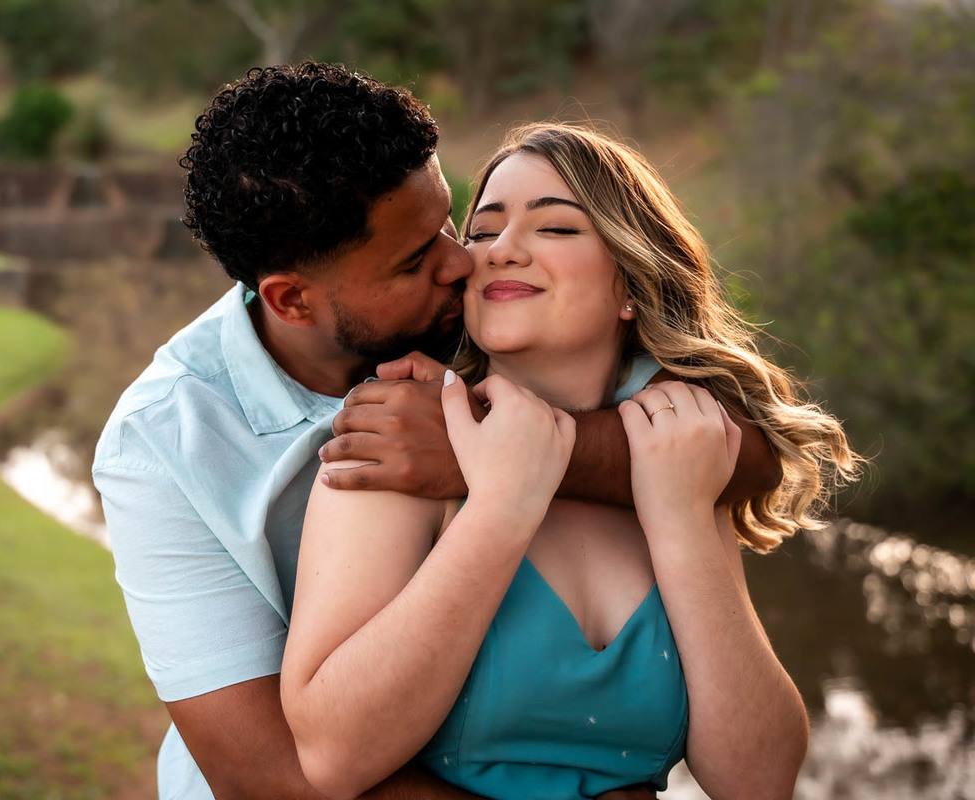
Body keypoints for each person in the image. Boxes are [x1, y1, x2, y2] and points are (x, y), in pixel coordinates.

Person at [94, 63, 779, 800]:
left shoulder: (480, 321)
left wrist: (507, 454)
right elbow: (271, 774)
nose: (467, 260)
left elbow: (751, 451)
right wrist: (500, 495)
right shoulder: (161, 445)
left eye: (453, 222)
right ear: (293, 301)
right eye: (421, 257)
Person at [281, 124, 860, 800]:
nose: (500, 250)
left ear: (632, 284)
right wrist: (500, 508)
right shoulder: (399, 444)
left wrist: (679, 518)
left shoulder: (677, 461)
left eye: (555, 228)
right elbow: (334, 756)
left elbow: (758, 781)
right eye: (482, 232)